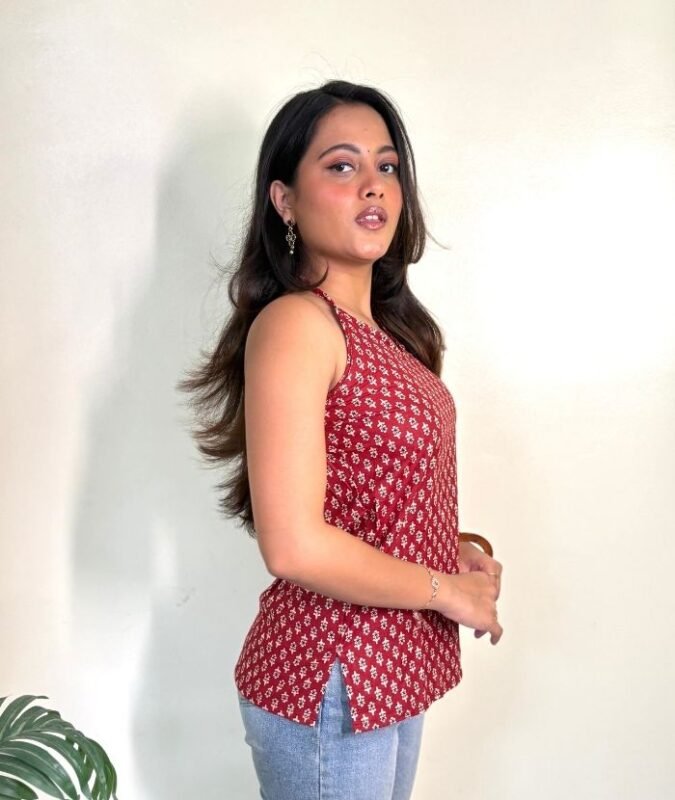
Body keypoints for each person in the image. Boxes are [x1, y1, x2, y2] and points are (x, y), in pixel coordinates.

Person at [179, 79, 503, 800]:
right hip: (331, 675)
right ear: (284, 200)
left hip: (387, 670)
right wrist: (446, 592)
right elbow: (293, 545)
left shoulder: (388, 336)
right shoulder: (298, 324)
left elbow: (363, 506)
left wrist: (447, 549)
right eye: (341, 165)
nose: (373, 185)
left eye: (386, 166)